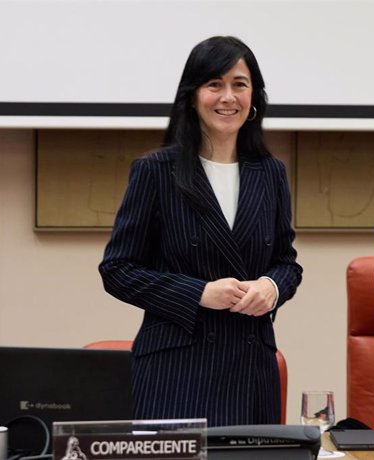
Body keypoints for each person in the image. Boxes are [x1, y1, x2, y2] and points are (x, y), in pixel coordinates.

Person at [99, 36, 302, 426]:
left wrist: (271, 288)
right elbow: (118, 269)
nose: (228, 97)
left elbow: (286, 264)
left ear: (253, 96)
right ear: (192, 97)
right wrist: (199, 293)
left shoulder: (271, 173)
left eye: (239, 84)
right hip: (175, 372)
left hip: (251, 367)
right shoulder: (156, 171)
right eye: (214, 84)